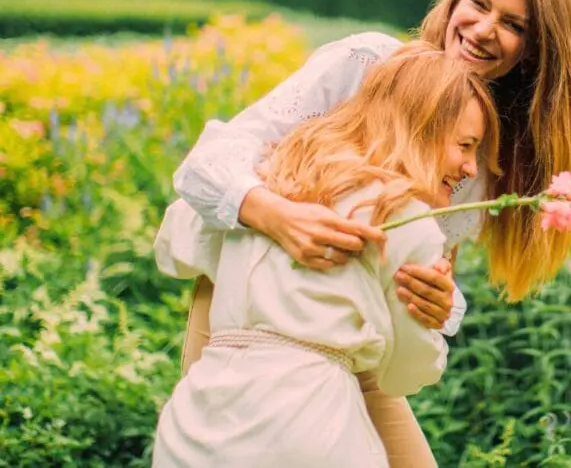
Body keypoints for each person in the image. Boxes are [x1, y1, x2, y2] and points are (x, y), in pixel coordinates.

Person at [166, 0, 571, 466]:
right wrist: (277, 216)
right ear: (455, 0)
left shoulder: (480, 155)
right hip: (246, 319)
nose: (485, 29)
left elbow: (422, 269)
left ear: (536, 53)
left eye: (514, 25)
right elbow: (205, 164)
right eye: (480, 4)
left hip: (348, 338)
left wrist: (439, 304)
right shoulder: (367, 64)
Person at [152, 44, 501, 467]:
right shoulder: (405, 220)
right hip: (311, 426)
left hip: (194, 424)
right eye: (465, 145)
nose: (470, 168)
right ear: (422, 129)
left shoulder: (271, 175)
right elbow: (406, 372)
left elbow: (174, 249)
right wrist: (431, 330)